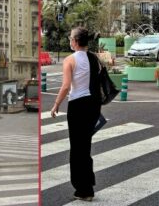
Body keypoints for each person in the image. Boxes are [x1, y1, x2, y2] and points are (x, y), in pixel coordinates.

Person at [50, 27, 100, 202]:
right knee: (85, 147)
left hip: (77, 105)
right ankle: (88, 186)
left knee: (77, 148)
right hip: (92, 106)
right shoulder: (94, 58)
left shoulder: (70, 60)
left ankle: (83, 189)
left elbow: (65, 86)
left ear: (76, 41)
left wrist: (56, 104)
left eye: (70, 37)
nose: (69, 40)